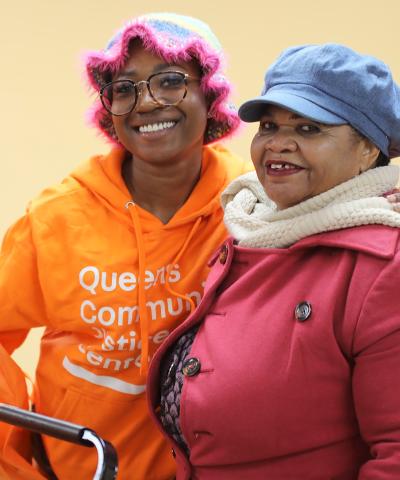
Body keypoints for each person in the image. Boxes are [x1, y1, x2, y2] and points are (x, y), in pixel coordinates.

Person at [0, 12, 251, 480]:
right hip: (76, 468)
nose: (147, 103)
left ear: (210, 94)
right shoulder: (56, 216)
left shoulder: (250, 206)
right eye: (124, 88)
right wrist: (11, 459)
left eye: (171, 81)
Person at [147, 43, 400, 479]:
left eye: (308, 128)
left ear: (366, 149)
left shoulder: (382, 270)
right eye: (269, 126)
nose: (279, 143)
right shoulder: (252, 226)